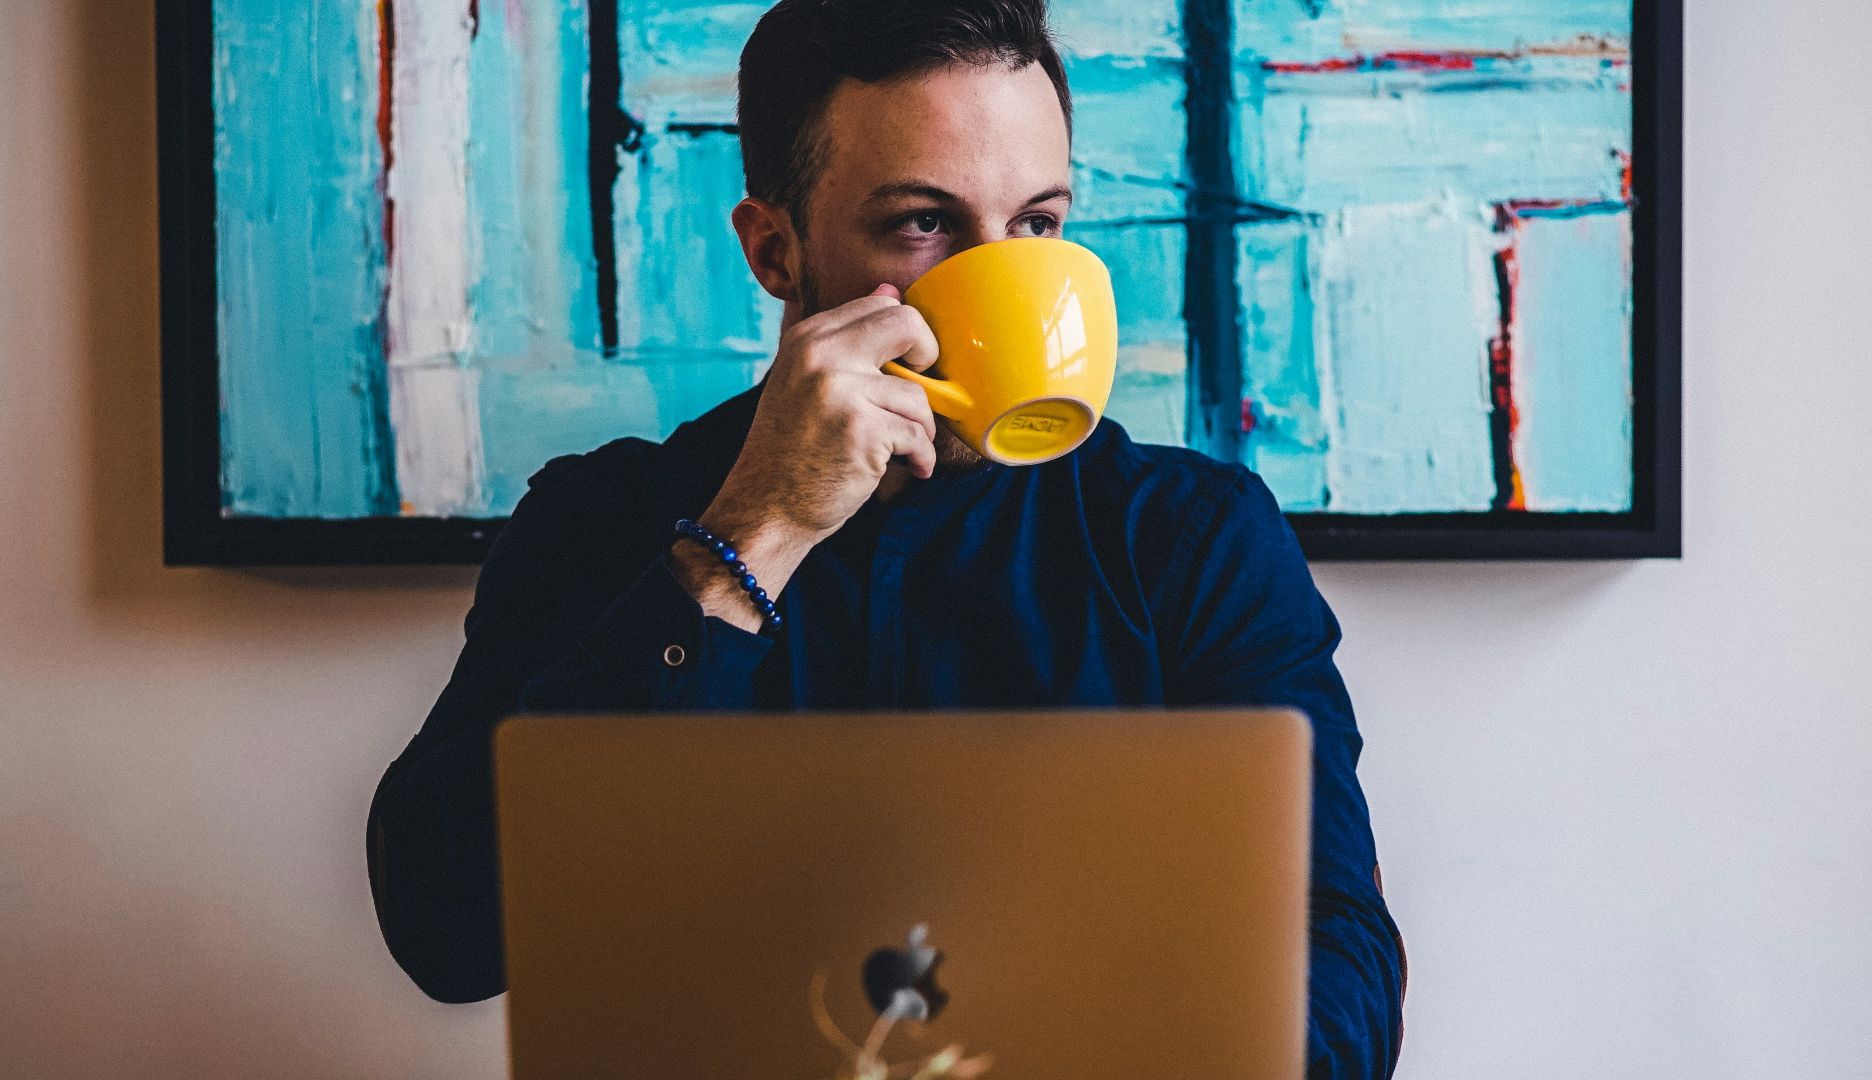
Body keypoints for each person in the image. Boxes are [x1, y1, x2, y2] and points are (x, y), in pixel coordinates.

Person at [365, 1, 1407, 1075]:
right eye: (923, 224)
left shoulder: (1190, 540)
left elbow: (1339, 948)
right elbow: (447, 933)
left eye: (1036, 224)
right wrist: (749, 539)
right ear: (775, 251)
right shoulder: (605, 521)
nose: (1001, 279)